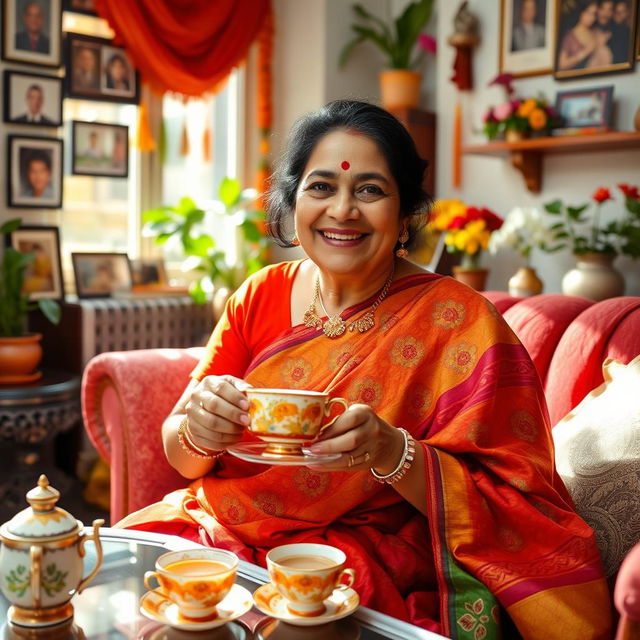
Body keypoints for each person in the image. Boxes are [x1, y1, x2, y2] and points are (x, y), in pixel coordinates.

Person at [119, 100, 611, 638]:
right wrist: (198, 430)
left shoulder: (457, 321)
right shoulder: (259, 294)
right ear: (293, 201)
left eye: (370, 190)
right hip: (219, 526)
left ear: (404, 217)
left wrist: (391, 453)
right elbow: (181, 455)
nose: (343, 210)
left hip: (366, 553)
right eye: (322, 186)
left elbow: (517, 496)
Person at [557, 1, 610, 70]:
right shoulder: (570, 37)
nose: (592, 17)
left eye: (594, 14)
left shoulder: (595, 32)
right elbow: (562, 64)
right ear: (581, 13)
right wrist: (585, 52)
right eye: (588, 13)